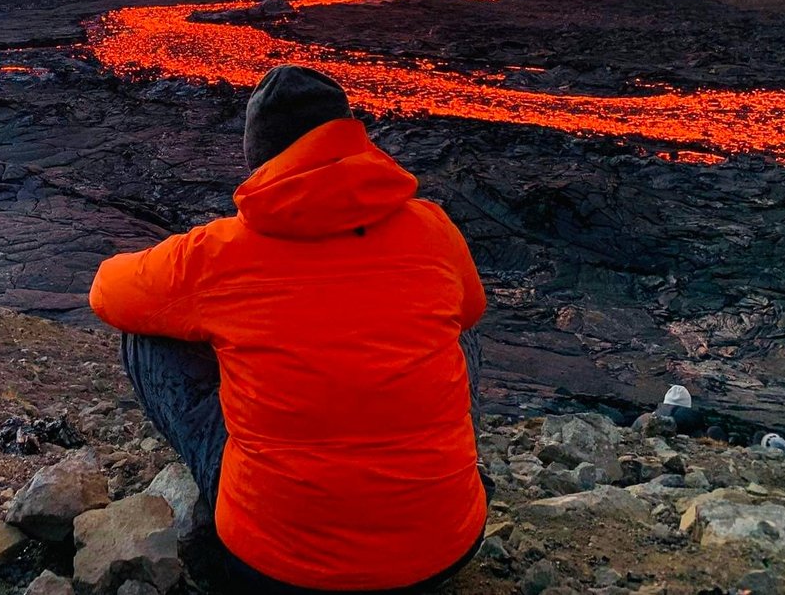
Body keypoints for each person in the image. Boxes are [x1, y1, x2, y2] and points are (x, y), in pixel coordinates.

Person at [90, 65, 489, 594]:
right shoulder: (433, 227)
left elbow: (106, 290)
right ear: (352, 138)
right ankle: (443, 480)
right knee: (459, 321)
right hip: (445, 551)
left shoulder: (219, 253)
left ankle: (237, 500)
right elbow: (473, 309)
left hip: (277, 570)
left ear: (259, 159)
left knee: (144, 332)